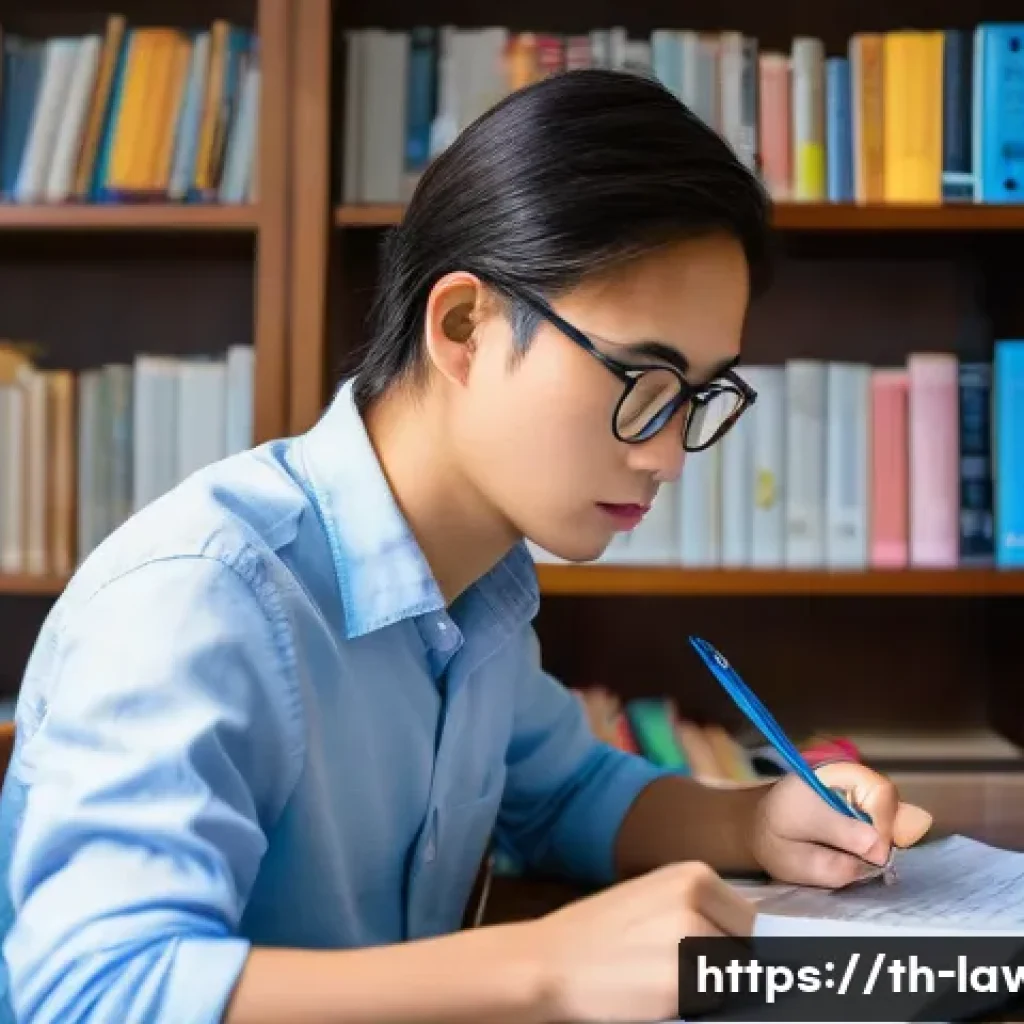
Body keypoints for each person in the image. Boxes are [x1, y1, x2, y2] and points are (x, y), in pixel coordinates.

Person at [0, 68, 932, 1024]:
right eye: (644, 378)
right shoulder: (201, 596)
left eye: (697, 397)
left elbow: (568, 793)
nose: (666, 454)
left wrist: (757, 822)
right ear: (463, 327)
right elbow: (90, 990)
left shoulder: (476, 587)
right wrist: (544, 970)